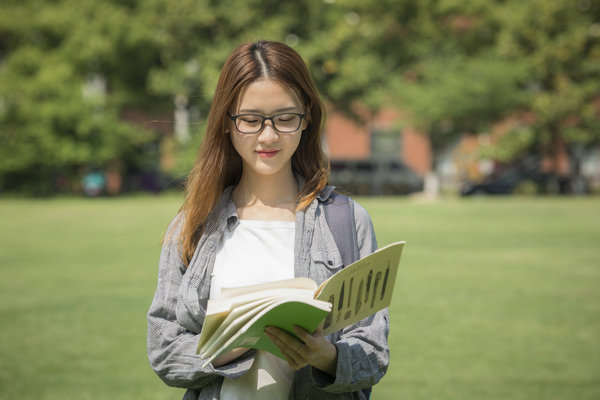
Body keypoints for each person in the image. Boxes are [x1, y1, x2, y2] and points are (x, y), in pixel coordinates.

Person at [147, 40, 389, 400]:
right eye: (250, 119)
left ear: (307, 117)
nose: (268, 136)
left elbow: (374, 353)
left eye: (285, 118)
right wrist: (224, 351)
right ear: (227, 122)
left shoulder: (347, 221)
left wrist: (328, 357)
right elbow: (163, 350)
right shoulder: (192, 224)